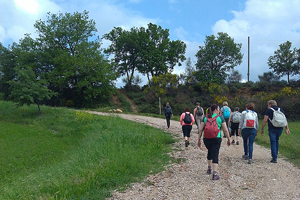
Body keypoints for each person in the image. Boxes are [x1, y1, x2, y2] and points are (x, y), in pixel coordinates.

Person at [197, 104, 231, 180]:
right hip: (216, 138)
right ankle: (215, 174)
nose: (219, 111)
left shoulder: (205, 118)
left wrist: (198, 140)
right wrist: (228, 138)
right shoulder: (220, 118)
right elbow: (225, 129)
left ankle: (209, 168)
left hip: (206, 138)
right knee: (215, 154)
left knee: (210, 151)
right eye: (218, 109)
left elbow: (200, 129)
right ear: (215, 110)